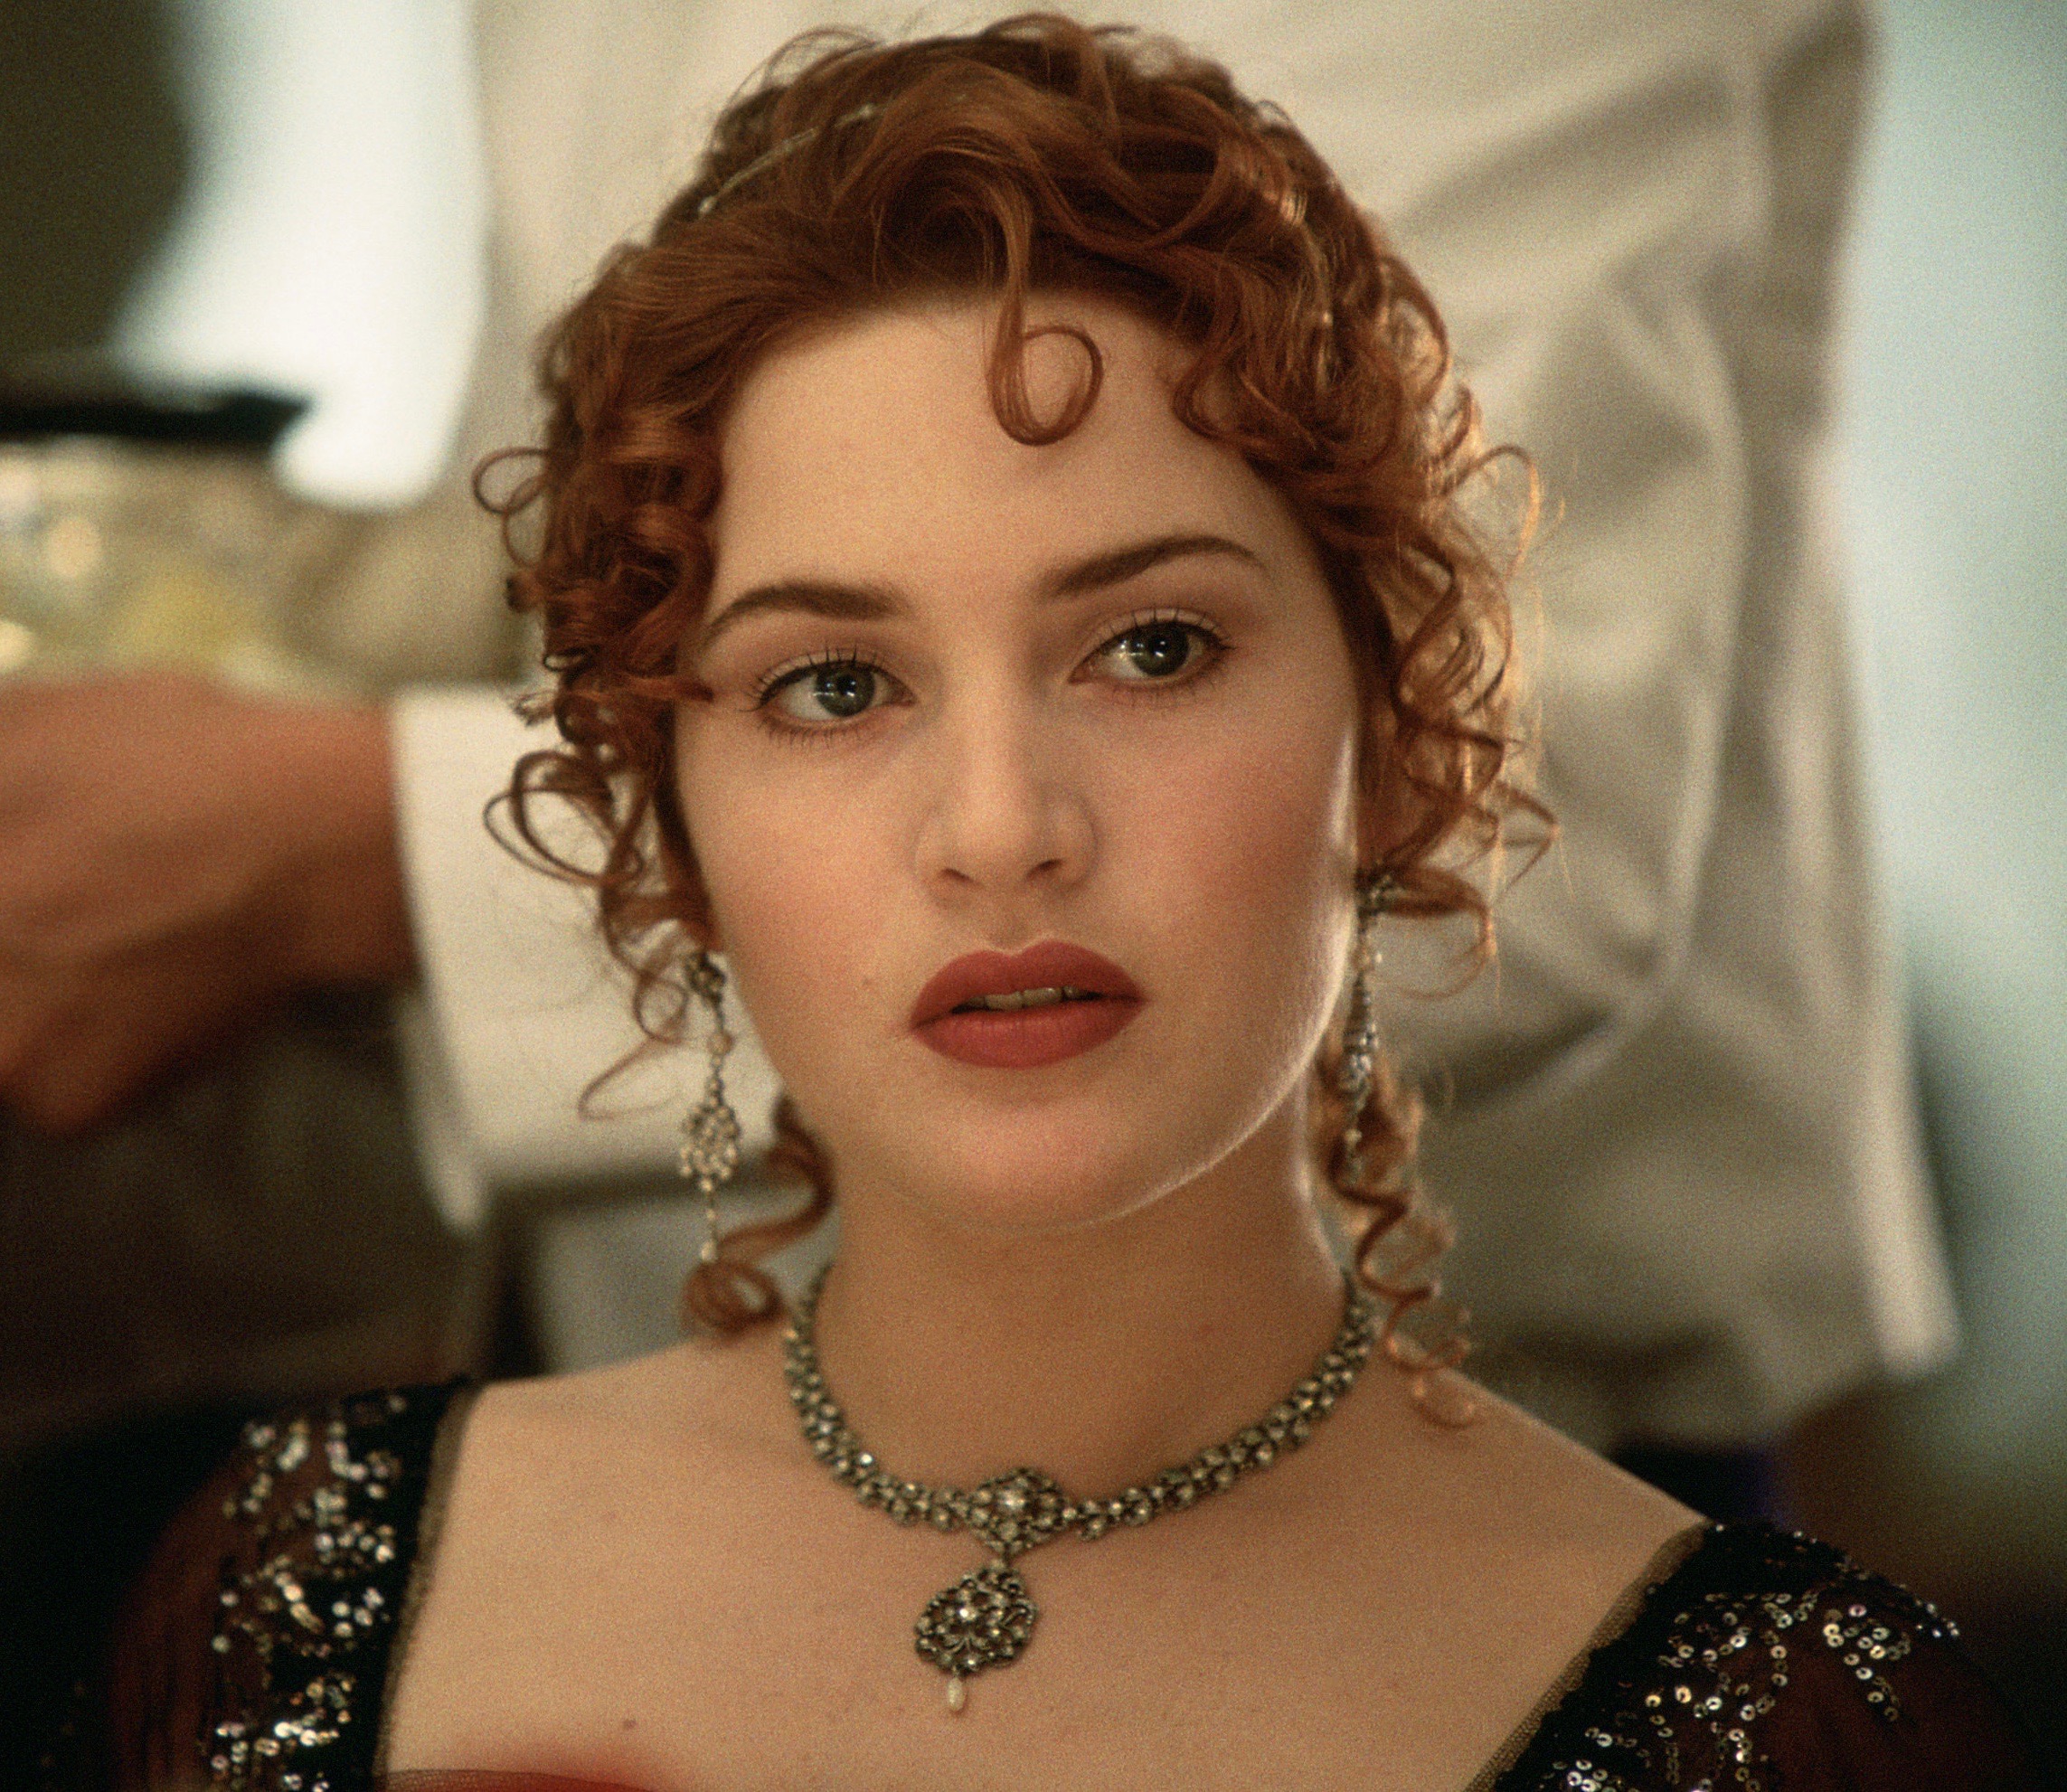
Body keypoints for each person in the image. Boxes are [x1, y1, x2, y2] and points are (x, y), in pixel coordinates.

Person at [81, 20, 2037, 1789]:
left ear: (1401, 743)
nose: (1002, 829)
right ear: (663, 836)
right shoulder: (311, 1584)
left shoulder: (1761, 1724)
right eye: (833, 686)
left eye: (1153, 647)